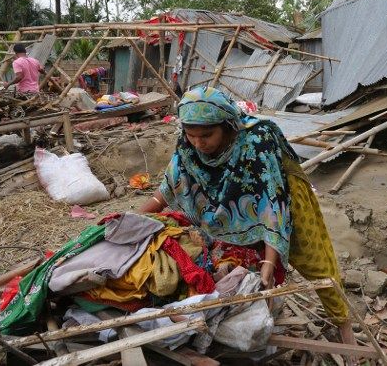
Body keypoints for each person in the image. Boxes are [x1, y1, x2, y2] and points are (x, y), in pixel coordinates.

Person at [140, 87, 356, 345]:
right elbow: (169, 186)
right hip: (233, 210)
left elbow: (272, 206)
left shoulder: (257, 142)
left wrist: (269, 262)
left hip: (283, 197)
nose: (198, 143)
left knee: (316, 262)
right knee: (238, 263)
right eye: (191, 135)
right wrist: (132, 219)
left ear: (228, 125)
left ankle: (345, 327)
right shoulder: (188, 146)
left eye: (207, 135)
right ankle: (259, 321)